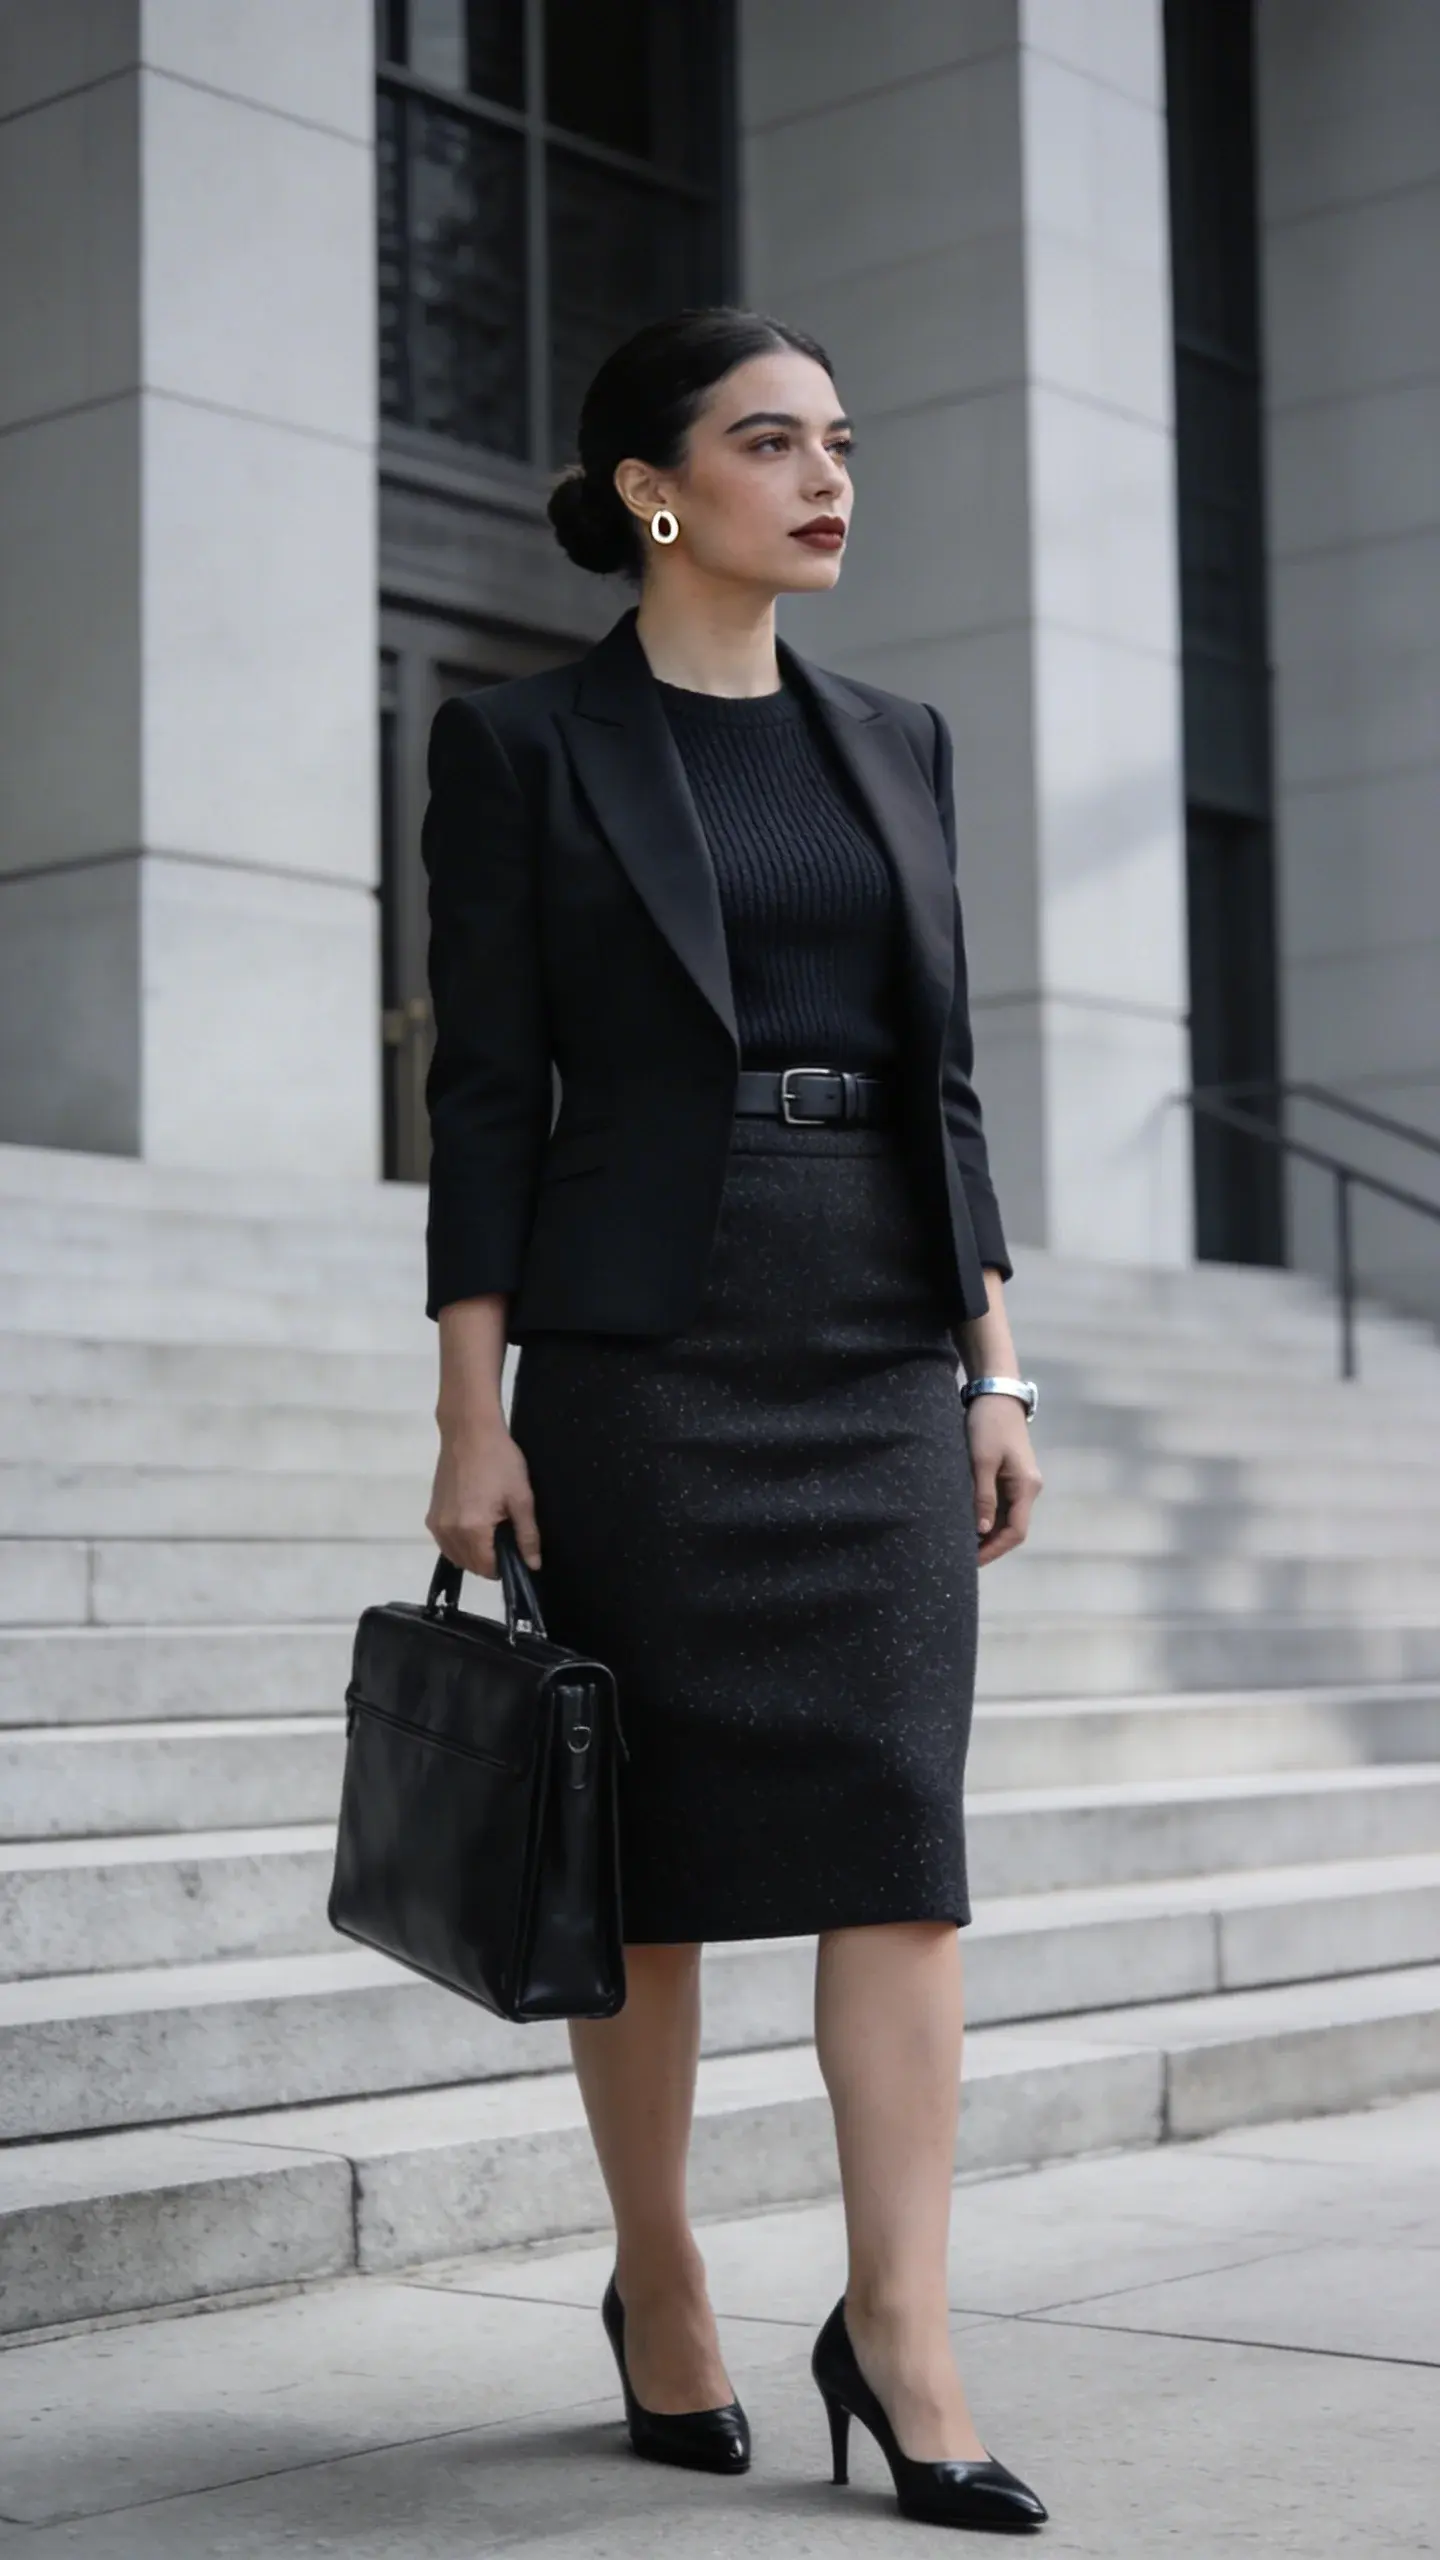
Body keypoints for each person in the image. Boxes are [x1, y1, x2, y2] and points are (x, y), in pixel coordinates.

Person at [421, 306, 1047, 2533]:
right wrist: (468, 1414)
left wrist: (992, 1360)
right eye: (770, 441)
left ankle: (903, 2326)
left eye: (842, 441)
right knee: (658, 1860)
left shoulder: (899, 739)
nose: (828, 476)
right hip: (639, 1347)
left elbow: (949, 1080)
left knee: (900, 1837)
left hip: (870, 1324)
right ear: (656, 488)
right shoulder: (521, 746)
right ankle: (663, 2277)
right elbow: (487, 1094)